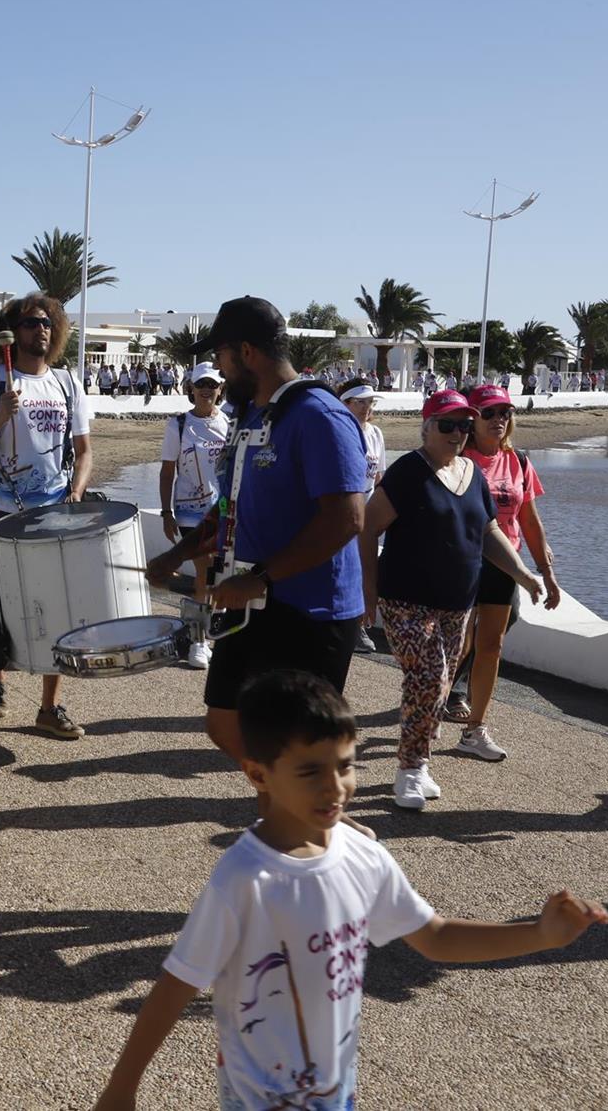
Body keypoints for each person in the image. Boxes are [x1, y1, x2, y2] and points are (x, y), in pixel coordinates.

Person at [93, 671, 608, 1111]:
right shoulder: (243, 881)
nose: (335, 786)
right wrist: (121, 1090)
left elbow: (437, 937)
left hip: (335, 1091)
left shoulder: (364, 855)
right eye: (310, 770)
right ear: (258, 774)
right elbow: (174, 986)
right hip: (262, 1097)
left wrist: (540, 935)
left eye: (345, 765)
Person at [150, 297, 368, 832]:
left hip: (311, 610)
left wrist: (261, 577)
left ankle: (315, 826)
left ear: (246, 352)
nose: (217, 373)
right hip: (256, 602)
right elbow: (232, 505)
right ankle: (301, 807)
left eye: (221, 358)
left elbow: (347, 519)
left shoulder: (320, 415)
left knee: (301, 738)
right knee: (226, 722)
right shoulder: (250, 415)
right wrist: (177, 554)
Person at [358, 390, 543, 811]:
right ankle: (408, 768)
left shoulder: (472, 474)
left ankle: (418, 762)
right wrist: (367, 591)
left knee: (439, 683)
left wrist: (523, 574)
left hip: (457, 603)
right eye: (447, 424)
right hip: (406, 598)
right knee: (426, 675)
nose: (457, 433)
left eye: (463, 425)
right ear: (426, 427)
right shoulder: (408, 472)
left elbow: (490, 533)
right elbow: (367, 529)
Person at [0, 293, 94, 739]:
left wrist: (76, 491)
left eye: (46, 323)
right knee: (0, 599)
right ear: (11, 330)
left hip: (55, 507)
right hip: (2, 506)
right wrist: (1, 415)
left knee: (57, 602)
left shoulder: (66, 383)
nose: (39, 329)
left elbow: (84, 451)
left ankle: (49, 705)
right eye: (29, 323)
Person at [442, 383, 563, 747]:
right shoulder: (457, 459)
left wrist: (547, 573)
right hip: (459, 562)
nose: (498, 419)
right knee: (457, 644)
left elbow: (529, 520)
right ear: (472, 419)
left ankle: (475, 728)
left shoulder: (519, 461)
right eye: (489, 413)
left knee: (491, 645)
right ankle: (430, 706)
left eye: (505, 412)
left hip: (503, 562)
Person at [158, 362, 230, 670]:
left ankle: (204, 627)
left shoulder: (229, 423)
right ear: (191, 388)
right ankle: (199, 641)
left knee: (218, 572)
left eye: (212, 385)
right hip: (189, 511)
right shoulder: (178, 425)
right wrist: (165, 512)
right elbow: (167, 469)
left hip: (224, 510)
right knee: (204, 571)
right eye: (201, 384)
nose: (207, 390)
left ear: (220, 389)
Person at [337, 379, 386, 653]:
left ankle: (359, 627)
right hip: (341, 515)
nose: (367, 407)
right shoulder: (336, 432)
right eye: (361, 402)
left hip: (368, 517)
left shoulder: (376, 434)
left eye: (370, 402)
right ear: (345, 404)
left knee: (364, 571)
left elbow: (378, 478)